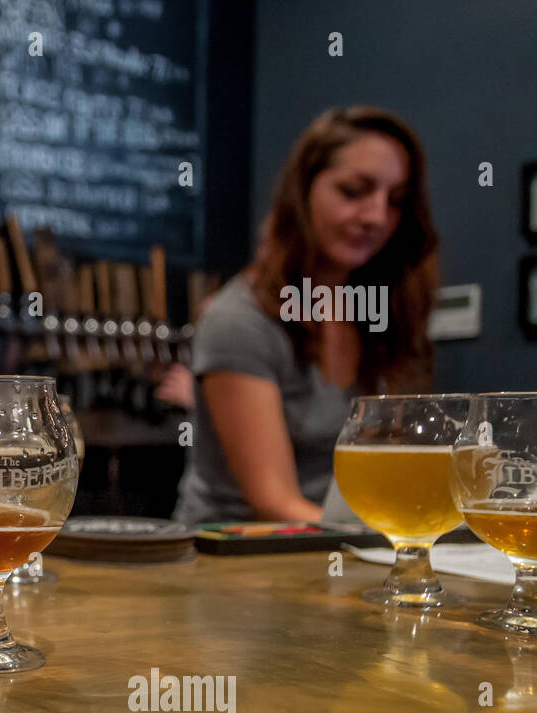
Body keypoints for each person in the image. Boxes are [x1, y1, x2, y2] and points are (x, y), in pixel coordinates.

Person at [173, 106, 439, 524]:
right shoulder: (238, 321)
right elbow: (274, 504)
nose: (376, 216)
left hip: (341, 552)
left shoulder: (379, 313)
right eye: (354, 191)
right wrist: (395, 546)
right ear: (303, 191)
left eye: (396, 201)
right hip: (239, 564)